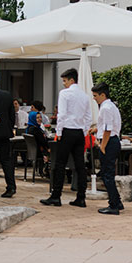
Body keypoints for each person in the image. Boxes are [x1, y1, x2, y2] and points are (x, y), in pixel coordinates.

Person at [41, 68, 91, 208]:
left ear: (71, 80)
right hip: (80, 133)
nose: (63, 83)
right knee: (80, 165)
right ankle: (81, 197)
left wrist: (59, 133)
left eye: (64, 80)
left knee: (59, 164)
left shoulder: (64, 94)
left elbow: (61, 115)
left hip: (67, 131)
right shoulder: (85, 95)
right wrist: (85, 131)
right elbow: (88, 117)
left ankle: (56, 196)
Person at [89, 82, 124, 215]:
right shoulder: (110, 106)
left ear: (103, 95)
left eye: (95, 95)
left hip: (109, 142)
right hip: (111, 141)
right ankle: (117, 201)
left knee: (107, 175)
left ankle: (113, 205)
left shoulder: (105, 108)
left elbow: (108, 129)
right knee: (107, 174)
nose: (94, 98)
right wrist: (96, 129)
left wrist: (102, 146)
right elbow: (106, 125)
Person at [25, 103, 49, 170]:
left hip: (32, 152)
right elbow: (43, 141)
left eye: (40, 117)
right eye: (37, 118)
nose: (40, 119)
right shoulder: (35, 130)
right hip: (39, 152)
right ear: (32, 118)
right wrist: (48, 148)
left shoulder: (30, 128)